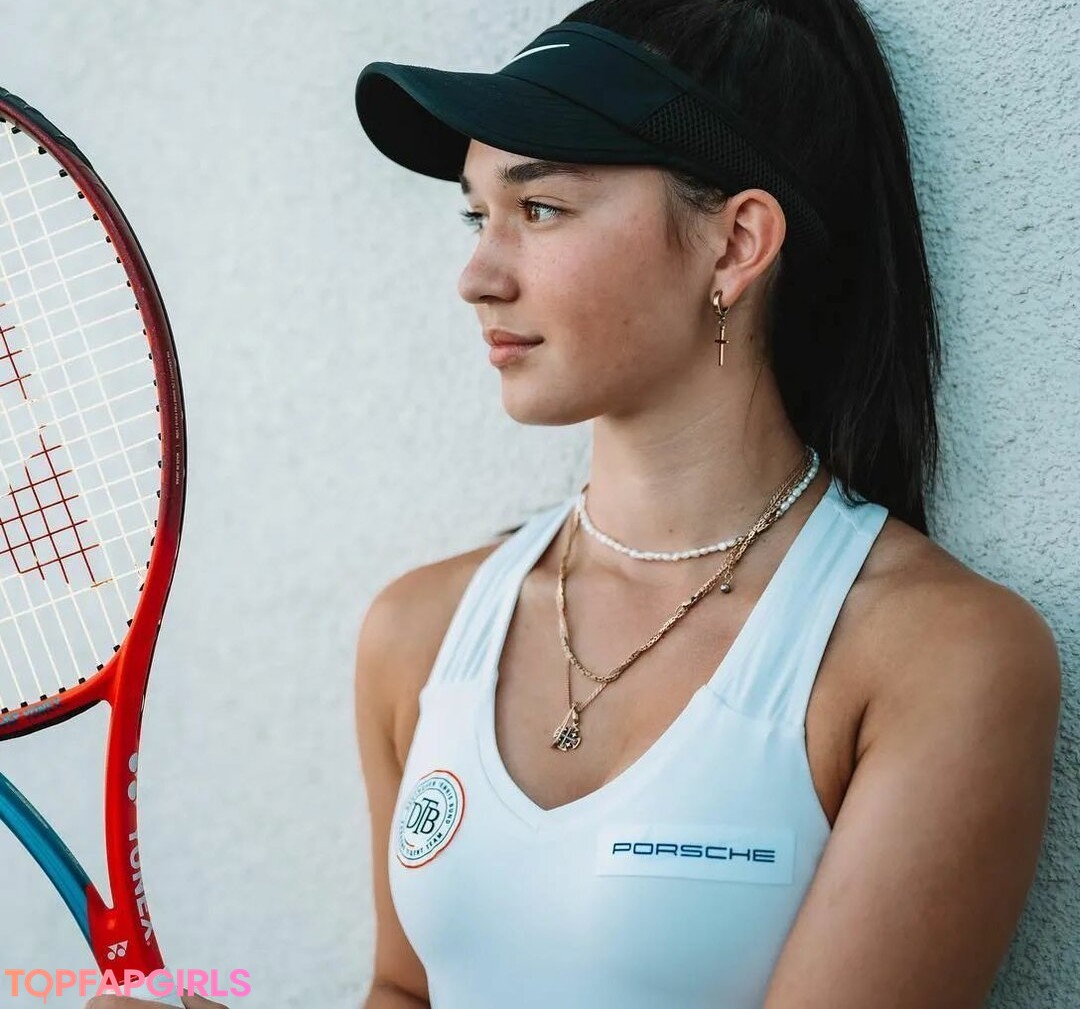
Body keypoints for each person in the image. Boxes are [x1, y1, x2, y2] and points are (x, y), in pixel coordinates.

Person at [88, 1, 1062, 1007]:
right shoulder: (420, 632)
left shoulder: (938, 658)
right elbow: (408, 992)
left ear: (736, 244)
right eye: (477, 215)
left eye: (540, 209)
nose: (477, 276)